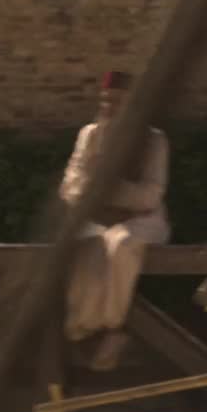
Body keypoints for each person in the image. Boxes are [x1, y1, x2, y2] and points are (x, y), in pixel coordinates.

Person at [60, 71, 170, 369]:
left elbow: (151, 195)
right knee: (89, 247)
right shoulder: (89, 135)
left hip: (143, 220)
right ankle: (82, 330)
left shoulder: (154, 140)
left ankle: (112, 328)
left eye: (118, 101)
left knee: (121, 244)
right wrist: (93, 192)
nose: (110, 107)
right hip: (95, 218)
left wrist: (106, 190)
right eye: (106, 101)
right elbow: (70, 186)